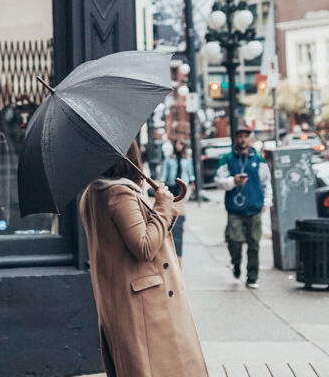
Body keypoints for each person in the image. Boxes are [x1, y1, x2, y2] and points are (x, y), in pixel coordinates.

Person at [79, 141, 209, 377]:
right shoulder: (118, 193)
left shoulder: (91, 193)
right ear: (128, 158)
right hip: (146, 305)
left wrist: (160, 206)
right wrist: (161, 206)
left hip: (125, 300)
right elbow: (145, 246)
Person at [215, 126, 272, 289]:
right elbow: (218, 181)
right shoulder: (227, 158)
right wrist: (233, 181)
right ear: (235, 138)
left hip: (254, 208)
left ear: (250, 138)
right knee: (234, 241)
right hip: (235, 209)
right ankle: (236, 263)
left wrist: (266, 202)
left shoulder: (258, 160)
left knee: (254, 244)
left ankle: (252, 277)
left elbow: (266, 183)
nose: (242, 139)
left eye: (245, 136)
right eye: (239, 136)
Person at [161, 138, 195, 263]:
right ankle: (172, 215)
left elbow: (190, 171)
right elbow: (165, 170)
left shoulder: (187, 158)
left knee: (180, 202)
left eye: (180, 144)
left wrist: (192, 182)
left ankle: (180, 215)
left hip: (183, 184)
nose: (178, 145)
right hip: (172, 183)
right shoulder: (170, 157)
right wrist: (163, 182)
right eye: (177, 144)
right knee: (171, 201)